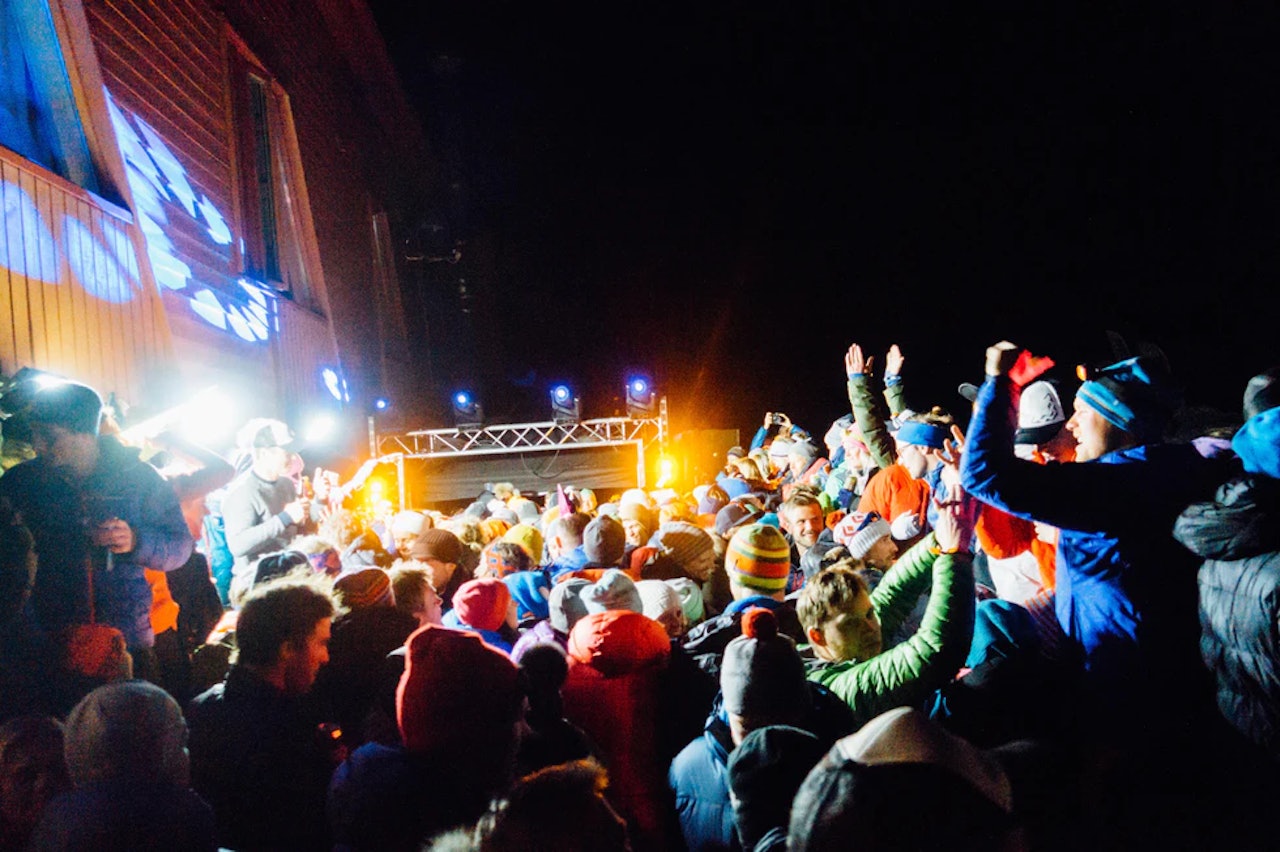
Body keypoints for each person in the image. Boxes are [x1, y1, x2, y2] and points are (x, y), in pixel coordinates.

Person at [960, 343, 1231, 735]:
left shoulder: (1117, 483)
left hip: (1122, 684)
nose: (1070, 426)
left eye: (1082, 414)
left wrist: (1001, 383)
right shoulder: (1164, 471)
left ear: (1122, 421)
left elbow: (982, 473)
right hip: (1151, 669)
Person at [0, 381, 192, 669]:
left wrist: (136, 541)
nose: (38, 446)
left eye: (50, 437)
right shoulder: (19, 483)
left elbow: (180, 546)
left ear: (85, 434)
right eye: (35, 435)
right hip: (46, 645)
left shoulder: (138, 478)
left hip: (125, 643)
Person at [797, 485, 976, 728]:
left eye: (868, 613)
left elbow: (892, 593)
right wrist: (954, 553)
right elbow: (932, 653)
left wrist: (940, 539)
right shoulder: (838, 692)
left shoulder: (844, 648)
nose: (871, 626)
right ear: (817, 637)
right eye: (852, 623)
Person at [186, 573, 340, 851]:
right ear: (287, 648)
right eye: (321, 643)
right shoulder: (286, 732)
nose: (325, 657)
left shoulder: (202, 710)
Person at [26, 681, 216, 852]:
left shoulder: (58, 814)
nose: (186, 754)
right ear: (154, 748)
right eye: (180, 740)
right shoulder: (183, 816)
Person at [221, 418, 315, 604]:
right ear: (264, 453)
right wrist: (284, 518)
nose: (292, 456)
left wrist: (320, 501)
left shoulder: (286, 484)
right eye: (286, 451)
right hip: (257, 590)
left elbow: (298, 531)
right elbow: (238, 545)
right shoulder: (242, 491)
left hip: (287, 581)